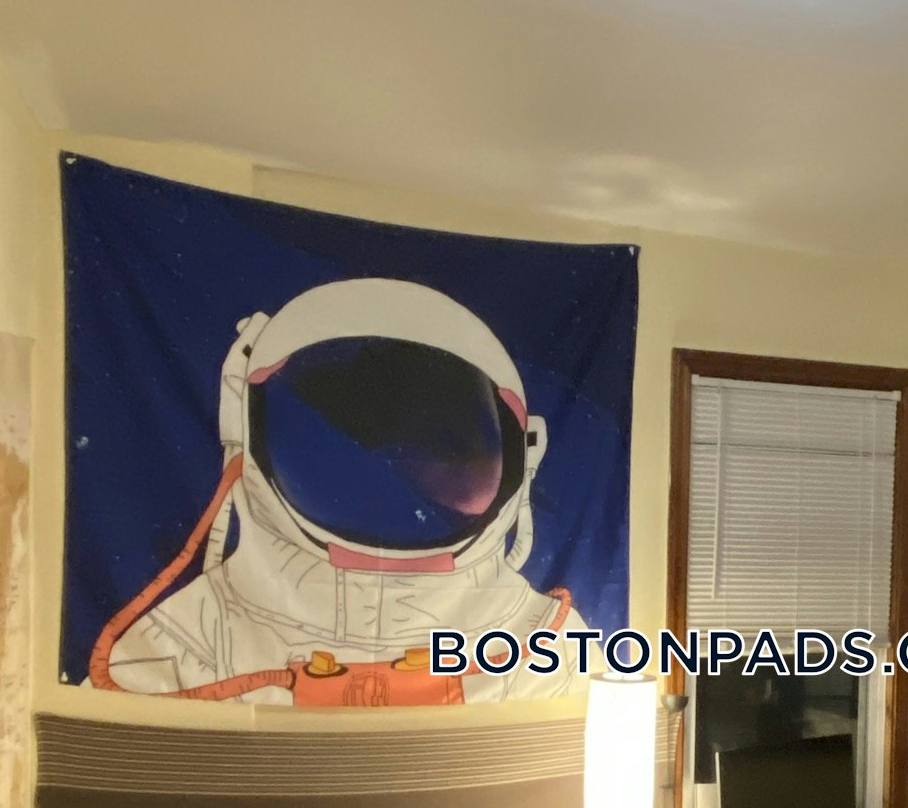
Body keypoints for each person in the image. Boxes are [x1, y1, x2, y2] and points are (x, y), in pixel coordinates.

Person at [88, 278, 584, 705]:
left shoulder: (541, 640)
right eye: (356, 446)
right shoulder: (191, 638)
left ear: (522, 457)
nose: (394, 480)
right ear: (245, 430)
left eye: (447, 445)